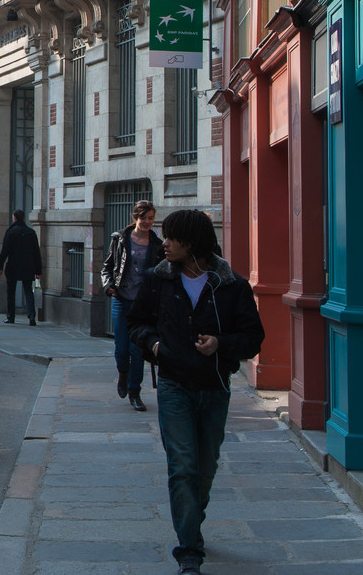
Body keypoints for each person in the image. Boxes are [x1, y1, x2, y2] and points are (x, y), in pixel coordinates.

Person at [129, 209, 265, 575]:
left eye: (172, 237)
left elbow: (254, 338)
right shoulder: (158, 280)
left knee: (204, 470)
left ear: (192, 243)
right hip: (174, 386)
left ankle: (193, 516)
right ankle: (189, 550)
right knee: (184, 467)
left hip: (214, 388)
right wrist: (154, 346)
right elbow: (136, 324)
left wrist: (221, 343)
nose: (165, 242)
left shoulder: (230, 284)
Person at [101, 199, 163, 411]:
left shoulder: (156, 244)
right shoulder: (120, 239)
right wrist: (109, 285)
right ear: (135, 217)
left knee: (137, 350)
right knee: (122, 349)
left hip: (142, 305)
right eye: (144, 218)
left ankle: (134, 392)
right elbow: (107, 267)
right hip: (121, 300)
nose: (147, 222)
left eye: (151, 218)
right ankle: (123, 374)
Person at [0, 209, 42, 324]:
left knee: (11, 291)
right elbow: (37, 252)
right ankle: (31, 316)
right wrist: (38, 270)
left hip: (13, 265)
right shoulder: (31, 233)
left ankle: (11, 316)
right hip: (28, 266)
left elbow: (4, 252)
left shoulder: (11, 232)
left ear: (15, 218)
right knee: (28, 291)